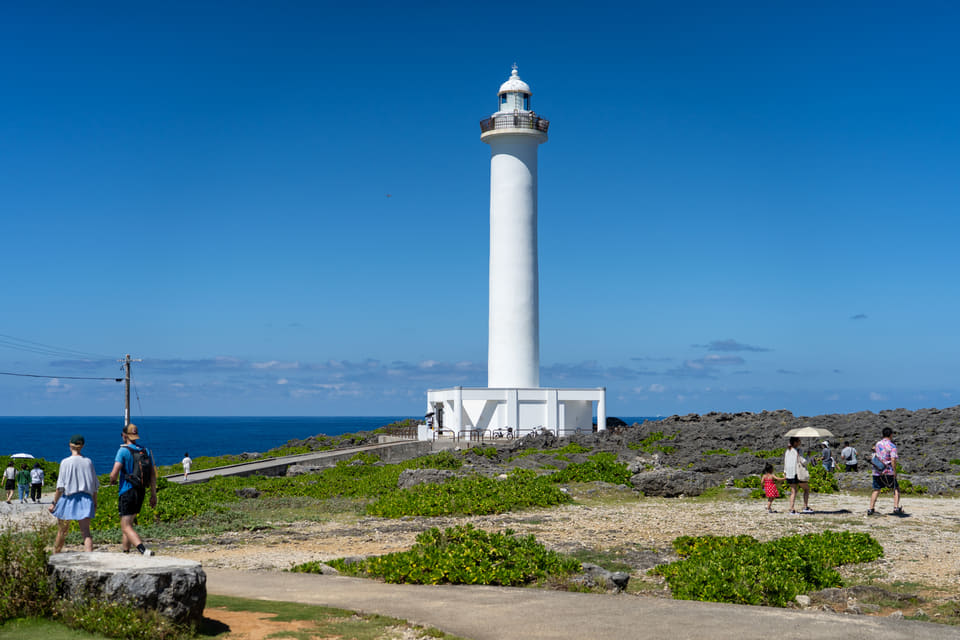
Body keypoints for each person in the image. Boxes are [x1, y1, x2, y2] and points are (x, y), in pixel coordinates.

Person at [109, 423, 157, 556]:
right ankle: (126, 552)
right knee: (128, 523)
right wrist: (153, 494)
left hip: (127, 491)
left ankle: (143, 550)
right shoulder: (145, 451)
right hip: (140, 491)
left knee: (125, 525)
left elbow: (114, 473)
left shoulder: (123, 451)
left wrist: (112, 480)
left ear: (124, 435)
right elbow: (152, 475)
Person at [48, 434, 99, 552]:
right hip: (86, 498)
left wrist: (54, 503)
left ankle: (56, 555)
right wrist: (95, 502)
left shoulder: (65, 462)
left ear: (70, 445)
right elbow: (94, 486)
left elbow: (60, 487)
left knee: (62, 531)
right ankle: (89, 557)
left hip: (68, 499)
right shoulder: (88, 462)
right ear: (82, 446)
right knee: (86, 532)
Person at [868, 427, 903, 516]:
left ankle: (871, 509)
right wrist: (894, 471)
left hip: (877, 470)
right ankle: (896, 507)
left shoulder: (877, 444)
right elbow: (893, 459)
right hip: (888, 471)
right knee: (896, 488)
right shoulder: (892, 446)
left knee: (876, 489)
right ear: (891, 435)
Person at [783, 436, 813, 514]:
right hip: (797, 473)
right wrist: (808, 455)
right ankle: (805, 506)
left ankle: (792, 509)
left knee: (793, 491)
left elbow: (785, 462)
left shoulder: (787, 451)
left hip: (789, 473)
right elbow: (804, 462)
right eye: (799, 440)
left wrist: (785, 472)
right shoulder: (799, 451)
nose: (800, 442)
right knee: (806, 489)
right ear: (795, 442)